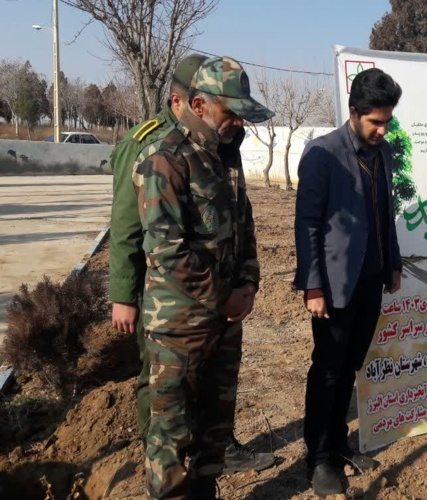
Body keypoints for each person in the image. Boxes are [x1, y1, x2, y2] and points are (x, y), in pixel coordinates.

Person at [109, 54, 273, 477]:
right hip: (179, 325)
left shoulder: (226, 154)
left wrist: (248, 283)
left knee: (213, 437)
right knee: (171, 443)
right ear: (197, 106)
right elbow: (162, 249)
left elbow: (243, 224)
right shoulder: (164, 158)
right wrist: (224, 297)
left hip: (224, 322)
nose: (239, 122)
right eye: (231, 113)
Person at [294, 67, 403, 497]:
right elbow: (307, 224)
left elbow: (386, 212)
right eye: (376, 121)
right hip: (334, 284)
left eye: (387, 121)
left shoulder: (383, 152)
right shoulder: (322, 154)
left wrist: (392, 263)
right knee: (328, 369)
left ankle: (339, 445)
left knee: (350, 365)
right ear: (355, 112)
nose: (382, 130)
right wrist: (313, 286)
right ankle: (319, 457)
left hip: (371, 278)